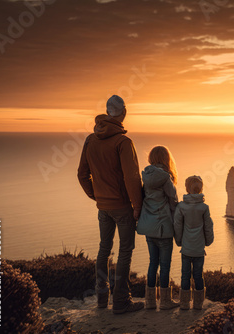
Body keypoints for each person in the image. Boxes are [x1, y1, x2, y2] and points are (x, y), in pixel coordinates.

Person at [77, 95, 144, 314]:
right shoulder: (123, 142)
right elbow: (132, 177)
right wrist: (137, 205)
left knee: (104, 249)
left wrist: (95, 195)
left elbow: (81, 174)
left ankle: (102, 298)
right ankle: (122, 301)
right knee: (125, 251)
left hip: (103, 207)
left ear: (107, 113)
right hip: (123, 207)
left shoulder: (90, 139)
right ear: (123, 113)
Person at [136, 146, 180, 310]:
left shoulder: (145, 176)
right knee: (165, 265)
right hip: (164, 227)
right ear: (166, 159)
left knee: (152, 263)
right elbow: (174, 202)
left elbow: (141, 199)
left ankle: (150, 301)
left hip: (149, 227)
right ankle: (165, 301)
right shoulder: (166, 178)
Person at [174, 175, 214, 310]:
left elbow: (177, 226)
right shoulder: (204, 207)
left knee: (185, 276)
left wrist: (179, 241)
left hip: (186, 249)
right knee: (198, 275)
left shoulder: (181, 206)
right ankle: (198, 304)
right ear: (201, 188)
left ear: (187, 188)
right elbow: (208, 227)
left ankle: (184, 303)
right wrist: (208, 242)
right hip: (198, 250)